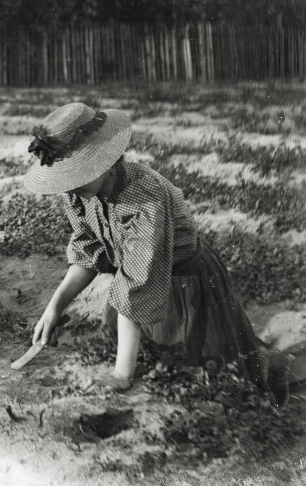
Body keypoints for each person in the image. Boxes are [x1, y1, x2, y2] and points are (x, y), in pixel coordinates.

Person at [25, 102, 290, 403]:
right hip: (140, 287)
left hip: (185, 285)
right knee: (158, 364)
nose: (70, 187)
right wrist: (55, 308)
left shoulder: (141, 196)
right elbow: (89, 253)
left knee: (209, 377)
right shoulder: (81, 194)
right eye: (65, 180)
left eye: (77, 176)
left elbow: (138, 281)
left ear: (107, 163)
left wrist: (121, 376)